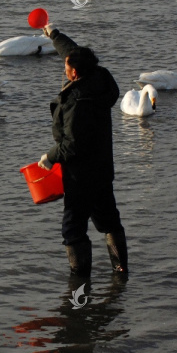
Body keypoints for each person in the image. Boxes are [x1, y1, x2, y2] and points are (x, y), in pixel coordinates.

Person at [38, 24, 128, 279]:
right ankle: (121, 274)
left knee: (73, 230)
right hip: (102, 170)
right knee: (109, 220)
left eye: (66, 67)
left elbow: (72, 144)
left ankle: (79, 283)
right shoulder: (100, 78)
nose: (63, 68)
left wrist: (49, 157)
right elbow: (74, 52)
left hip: (80, 176)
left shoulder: (77, 102)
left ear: (74, 73)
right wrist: (54, 35)